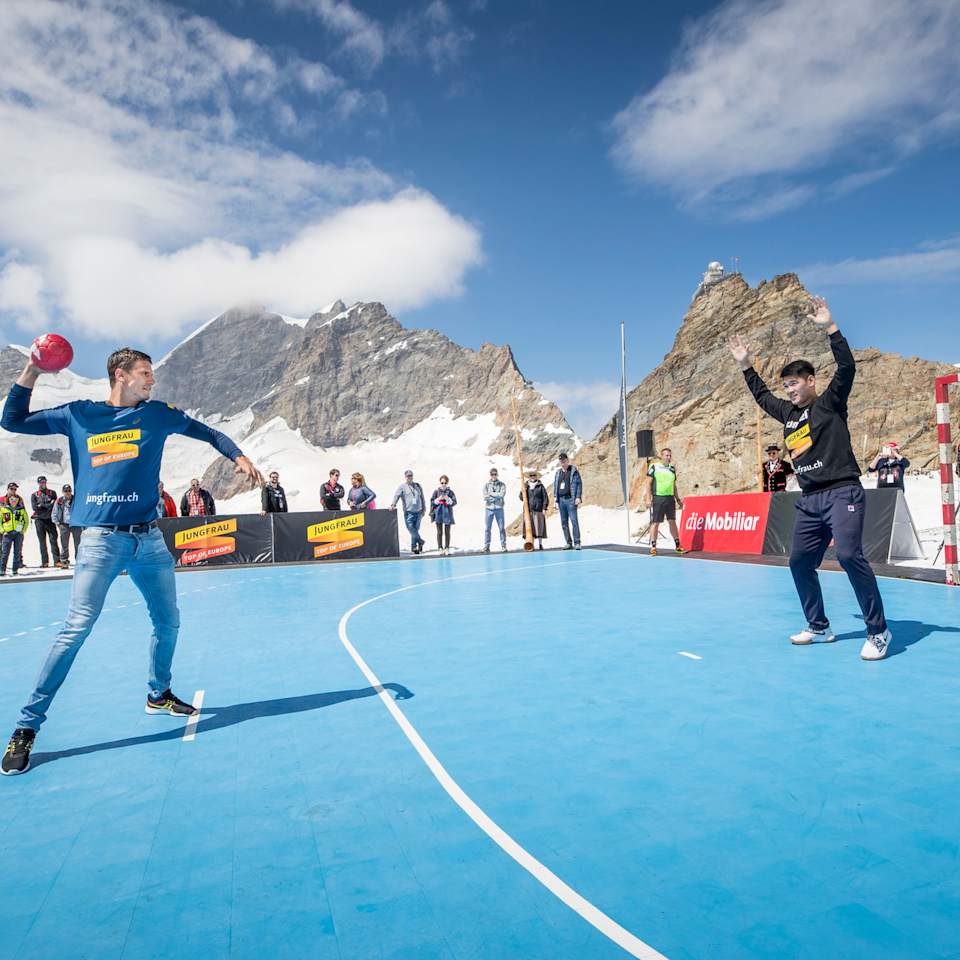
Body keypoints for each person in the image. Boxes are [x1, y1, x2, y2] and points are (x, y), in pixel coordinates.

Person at [0, 346, 263, 775]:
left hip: (149, 541)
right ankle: (26, 728)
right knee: (74, 631)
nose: (152, 380)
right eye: (145, 373)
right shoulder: (78, 415)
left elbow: (208, 432)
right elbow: (11, 420)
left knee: (168, 622)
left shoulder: (157, 414)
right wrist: (32, 369)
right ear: (120, 375)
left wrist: (239, 455)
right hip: (101, 542)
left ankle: (158, 693)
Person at [730, 295, 892, 661]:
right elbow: (761, 396)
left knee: (850, 555)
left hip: (842, 491)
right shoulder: (787, 413)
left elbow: (847, 367)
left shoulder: (829, 402)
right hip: (810, 500)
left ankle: (879, 631)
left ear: (811, 381)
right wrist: (746, 366)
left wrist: (831, 328)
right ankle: (819, 626)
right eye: (785, 384)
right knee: (799, 562)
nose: (789, 389)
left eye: (794, 383)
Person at [643, 448, 684, 556]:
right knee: (655, 523)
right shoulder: (654, 467)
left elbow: (674, 486)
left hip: (670, 499)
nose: (668, 457)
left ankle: (678, 546)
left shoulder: (672, 469)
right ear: (661, 456)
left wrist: (678, 499)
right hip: (658, 498)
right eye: (666, 455)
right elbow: (648, 483)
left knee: (672, 522)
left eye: (670, 455)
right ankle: (653, 547)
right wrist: (648, 498)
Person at [390, 470, 426, 554]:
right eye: (408, 476)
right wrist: (393, 504)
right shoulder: (402, 487)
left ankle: (414, 547)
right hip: (409, 512)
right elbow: (397, 496)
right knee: (411, 529)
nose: (409, 477)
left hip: (419, 511)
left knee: (416, 529)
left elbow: (422, 498)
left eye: (411, 475)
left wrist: (424, 509)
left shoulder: (418, 486)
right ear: (405, 477)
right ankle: (420, 541)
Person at [553, 452, 583, 550]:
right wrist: (555, 500)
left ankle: (577, 542)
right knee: (564, 522)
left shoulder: (573, 471)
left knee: (574, 521)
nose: (563, 463)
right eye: (561, 461)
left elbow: (579, 484)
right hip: (561, 501)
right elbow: (555, 486)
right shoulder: (558, 473)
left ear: (567, 460)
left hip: (571, 500)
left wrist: (578, 497)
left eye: (564, 461)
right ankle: (568, 542)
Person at [30, 474, 60, 568]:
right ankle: (45, 562)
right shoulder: (34, 495)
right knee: (42, 542)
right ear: (38, 483)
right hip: (39, 521)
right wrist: (47, 505)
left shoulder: (52, 493)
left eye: (43, 482)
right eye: (40, 482)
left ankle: (57, 561)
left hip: (50, 520)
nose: (42, 484)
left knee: (53, 540)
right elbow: (35, 508)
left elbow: (55, 505)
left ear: (46, 482)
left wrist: (42, 506)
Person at [51, 483, 81, 568]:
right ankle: (64, 560)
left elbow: (82, 511)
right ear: (63, 492)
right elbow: (54, 512)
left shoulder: (76, 499)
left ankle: (78, 560)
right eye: (65, 491)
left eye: (69, 491)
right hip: (64, 524)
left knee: (78, 543)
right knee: (64, 544)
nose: (67, 492)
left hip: (76, 524)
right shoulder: (59, 500)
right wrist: (57, 523)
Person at [0, 487, 29, 576]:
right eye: (11, 499)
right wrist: (2, 531)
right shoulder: (3, 510)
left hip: (18, 534)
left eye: (15, 499)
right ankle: (2, 570)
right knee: (5, 553)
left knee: (17, 552)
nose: (13, 501)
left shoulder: (21, 510)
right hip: (7, 534)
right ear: (9, 500)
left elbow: (26, 521)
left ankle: (15, 570)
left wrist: (23, 531)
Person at [521, 470, 549, 550]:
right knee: (530, 528)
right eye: (531, 475)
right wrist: (522, 490)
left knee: (539, 528)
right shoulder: (526, 486)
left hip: (538, 509)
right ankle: (531, 544)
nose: (533, 477)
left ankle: (540, 544)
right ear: (529, 477)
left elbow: (545, 498)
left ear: (536, 476)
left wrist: (544, 508)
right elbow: (521, 497)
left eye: (534, 475)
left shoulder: (540, 486)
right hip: (528, 510)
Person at [430, 476, 457, 554]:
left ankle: (447, 547)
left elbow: (454, 502)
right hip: (439, 513)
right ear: (440, 483)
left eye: (445, 483)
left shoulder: (450, 492)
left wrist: (448, 499)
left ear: (447, 483)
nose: (443, 484)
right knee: (439, 532)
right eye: (442, 483)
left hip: (447, 513)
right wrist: (438, 499)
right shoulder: (436, 491)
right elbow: (432, 502)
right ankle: (440, 547)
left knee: (447, 532)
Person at [482, 467, 507, 553]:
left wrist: (491, 494)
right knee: (487, 528)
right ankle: (486, 546)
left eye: (495, 474)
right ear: (490, 475)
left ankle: (503, 545)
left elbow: (502, 494)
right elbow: (485, 497)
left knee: (501, 528)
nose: (494, 476)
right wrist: (496, 497)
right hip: (489, 509)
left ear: (497, 475)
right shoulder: (486, 485)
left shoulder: (502, 485)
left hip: (499, 508)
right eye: (492, 474)